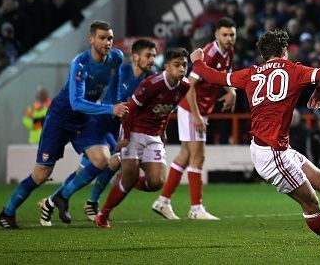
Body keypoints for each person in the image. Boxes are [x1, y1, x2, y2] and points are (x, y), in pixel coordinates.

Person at [188, 29, 320, 244]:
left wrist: (198, 63)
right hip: (272, 154)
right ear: (284, 51)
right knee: (311, 203)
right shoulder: (294, 70)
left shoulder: (251, 73)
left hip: (273, 148)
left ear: (263, 55)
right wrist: (319, 91)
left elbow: (215, 77)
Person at [0, 21, 129, 229]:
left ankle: (61, 196)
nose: (108, 42)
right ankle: (7, 213)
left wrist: (117, 110)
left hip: (84, 120)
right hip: (60, 118)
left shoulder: (116, 58)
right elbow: (76, 103)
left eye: (110, 38)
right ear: (91, 39)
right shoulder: (80, 63)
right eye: (102, 37)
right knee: (41, 175)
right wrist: (110, 109)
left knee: (103, 159)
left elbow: (115, 90)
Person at [95, 48, 190, 228]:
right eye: (177, 65)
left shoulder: (184, 86)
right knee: (130, 179)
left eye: (184, 65)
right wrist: (126, 137)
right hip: (134, 131)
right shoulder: (152, 84)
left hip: (154, 135)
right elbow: (130, 110)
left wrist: (163, 130)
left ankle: (123, 177)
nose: (181, 69)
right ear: (167, 67)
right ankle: (103, 215)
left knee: (156, 182)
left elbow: (167, 108)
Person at [152, 17, 236, 221]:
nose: (229, 38)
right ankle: (196, 209)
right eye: (225, 34)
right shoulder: (208, 54)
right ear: (216, 34)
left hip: (200, 110)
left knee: (185, 156)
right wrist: (197, 116)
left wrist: (231, 91)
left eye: (232, 34)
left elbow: (225, 75)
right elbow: (188, 85)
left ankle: (163, 201)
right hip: (191, 108)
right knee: (198, 156)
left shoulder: (229, 52)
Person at [64, 39, 156, 221]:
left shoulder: (150, 78)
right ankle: (56, 199)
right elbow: (112, 102)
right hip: (102, 124)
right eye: (148, 55)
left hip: (120, 128)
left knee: (111, 163)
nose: (152, 60)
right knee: (90, 168)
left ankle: (89, 202)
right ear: (135, 56)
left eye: (154, 55)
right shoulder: (122, 71)